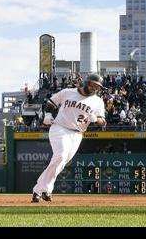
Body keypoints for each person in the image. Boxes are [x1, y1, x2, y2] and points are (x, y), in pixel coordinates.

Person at [32, 74, 107, 203]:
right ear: (86, 82)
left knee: (60, 162)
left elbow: (103, 121)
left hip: (77, 134)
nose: (95, 88)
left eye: (97, 86)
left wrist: (96, 119)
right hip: (60, 128)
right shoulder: (68, 92)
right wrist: (48, 114)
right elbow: (51, 103)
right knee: (60, 156)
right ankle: (40, 190)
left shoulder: (97, 101)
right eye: (93, 84)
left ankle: (43, 190)